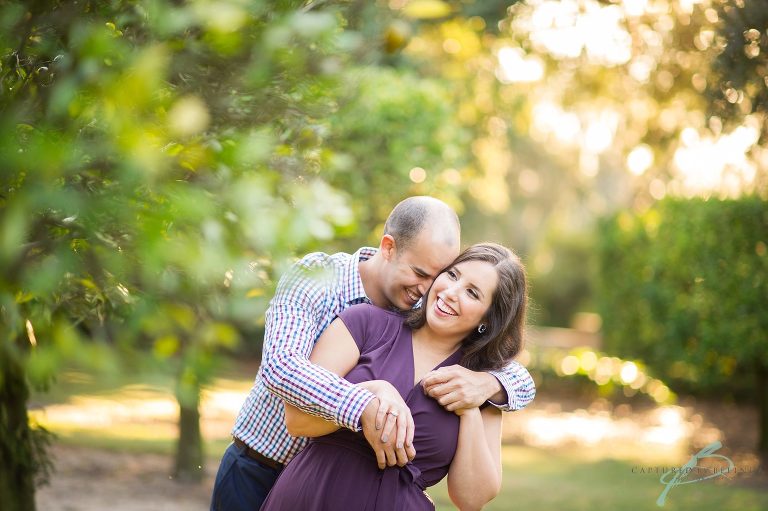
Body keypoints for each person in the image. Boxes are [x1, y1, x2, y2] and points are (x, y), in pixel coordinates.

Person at [210, 197, 536, 511]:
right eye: (423, 274)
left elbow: (508, 369)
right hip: (260, 466)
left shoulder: (428, 307)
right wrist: (368, 399)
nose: (434, 289)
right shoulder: (320, 280)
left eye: (439, 274)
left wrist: (490, 385)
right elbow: (282, 367)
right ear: (389, 248)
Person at [261, 243, 528, 510]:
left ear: (489, 320)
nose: (451, 292)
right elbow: (297, 419)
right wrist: (371, 393)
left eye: (472, 292)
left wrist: (469, 408)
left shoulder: (484, 386)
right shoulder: (364, 323)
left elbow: (471, 499)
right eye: (452, 275)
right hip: (311, 496)